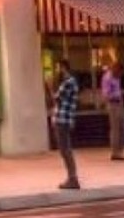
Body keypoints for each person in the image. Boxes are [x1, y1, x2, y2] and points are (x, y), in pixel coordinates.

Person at [52, 58, 80, 190]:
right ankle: (72, 177)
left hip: (63, 119)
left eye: (59, 68)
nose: (58, 71)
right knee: (65, 149)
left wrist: (49, 86)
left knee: (65, 150)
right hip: (64, 119)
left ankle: (72, 178)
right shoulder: (70, 82)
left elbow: (56, 99)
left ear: (63, 67)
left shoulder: (69, 82)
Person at [102, 61, 124, 161]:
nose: (120, 75)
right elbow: (106, 95)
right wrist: (122, 93)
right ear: (115, 69)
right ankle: (115, 152)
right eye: (119, 72)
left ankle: (120, 151)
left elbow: (117, 90)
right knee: (115, 129)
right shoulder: (107, 78)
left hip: (119, 103)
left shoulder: (117, 78)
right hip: (113, 104)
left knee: (122, 128)